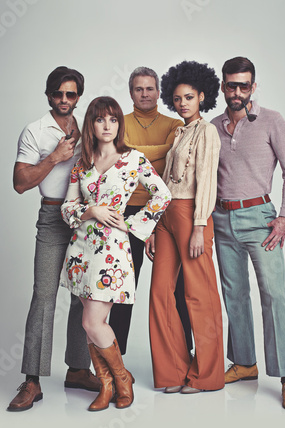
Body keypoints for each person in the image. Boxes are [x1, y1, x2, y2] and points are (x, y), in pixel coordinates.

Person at [60, 96, 171, 411]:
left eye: (112, 119)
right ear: (91, 125)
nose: (106, 125)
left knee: (93, 322)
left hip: (112, 250)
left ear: (118, 125)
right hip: (81, 250)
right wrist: (89, 209)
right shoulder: (82, 161)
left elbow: (162, 194)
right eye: (99, 119)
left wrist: (134, 225)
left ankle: (122, 379)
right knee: (89, 322)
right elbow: (68, 208)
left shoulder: (132, 159)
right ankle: (107, 385)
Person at [211, 56, 285, 411]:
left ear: (253, 86)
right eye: (231, 85)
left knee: (273, 294)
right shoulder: (212, 126)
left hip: (261, 218)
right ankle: (245, 362)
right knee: (233, 293)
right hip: (222, 218)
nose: (237, 92)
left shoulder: (271, 121)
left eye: (244, 85)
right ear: (222, 86)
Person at [8, 67, 100, 412]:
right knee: (45, 296)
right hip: (52, 218)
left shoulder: (89, 127)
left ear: (79, 97)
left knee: (83, 297)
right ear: (49, 95)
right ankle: (32, 380)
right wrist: (55, 158)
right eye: (58, 94)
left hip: (85, 219)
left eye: (71, 94)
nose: (64, 100)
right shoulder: (35, 130)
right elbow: (20, 182)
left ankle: (77, 369)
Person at [148, 60, 224, 394]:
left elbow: (207, 182)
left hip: (192, 213)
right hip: (166, 215)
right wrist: (152, 225)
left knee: (199, 295)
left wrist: (198, 227)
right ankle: (175, 371)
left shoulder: (207, 131)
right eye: (177, 98)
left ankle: (206, 376)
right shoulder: (179, 132)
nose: (182, 103)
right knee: (160, 294)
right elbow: (166, 182)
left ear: (202, 96)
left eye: (189, 97)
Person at [108, 67, 192, 355]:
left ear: (159, 91)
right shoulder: (120, 121)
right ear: (130, 92)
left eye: (149, 88)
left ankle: (185, 353)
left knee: (177, 286)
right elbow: (120, 152)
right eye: (138, 89)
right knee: (124, 285)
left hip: (164, 208)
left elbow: (132, 152)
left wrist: (133, 151)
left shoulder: (174, 123)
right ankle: (117, 360)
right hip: (126, 211)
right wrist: (160, 149)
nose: (144, 94)